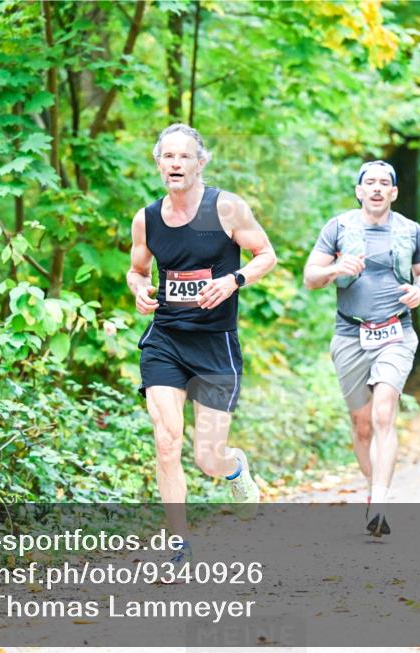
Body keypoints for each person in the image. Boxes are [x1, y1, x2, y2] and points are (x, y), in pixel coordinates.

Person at [127, 124, 277, 562]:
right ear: (159, 163)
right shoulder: (147, 218)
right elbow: (137, 269)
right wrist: (139, 287)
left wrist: (234, 281)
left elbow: (266, 255)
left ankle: (233, 468)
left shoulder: (227, 208)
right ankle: (179, 542)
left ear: (200, 162)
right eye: (168, 157)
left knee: (207, 458)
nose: (176, 164)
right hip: (166, 340)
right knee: (166, 440)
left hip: (215, 344)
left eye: (185, 157)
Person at [304, 160, 420, 538]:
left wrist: (419, 290)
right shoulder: (339, 228)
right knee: (362, 426)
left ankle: (380, 501)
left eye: (384, 184)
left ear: (393, 192)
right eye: (369, 183)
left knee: (383, 413)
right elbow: (310, 277)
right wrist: (334, 270)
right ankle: (373, 487)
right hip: (350, 335)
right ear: (359, 191)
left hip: (396, 332)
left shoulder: (411, 231)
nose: (377, 189)